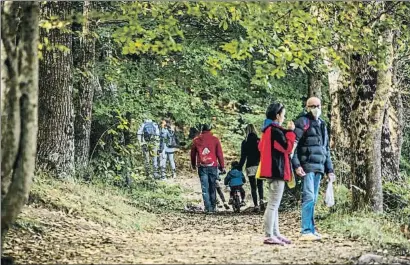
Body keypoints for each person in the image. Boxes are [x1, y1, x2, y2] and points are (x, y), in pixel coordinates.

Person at [292, 97, 336, 241]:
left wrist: (330, 170)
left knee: (314, 198)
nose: (316, 108)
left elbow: (326, 149)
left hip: (319, 167)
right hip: (307, 166)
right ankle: (305, 230)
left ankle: (311, 229)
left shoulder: (322, 124)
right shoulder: (302, 122)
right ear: (307, 107)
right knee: (309, 197)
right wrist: (297, 165)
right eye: (312, 106)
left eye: (318, 105)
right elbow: (293, 147)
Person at [259, 102, 296, 245]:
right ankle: (269, 234)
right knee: (273, 205)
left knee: (275, 204)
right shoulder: (274, 130)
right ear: (277, 115)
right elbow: (287, 147)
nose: (284, 117)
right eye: (283, 115)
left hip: (272, 170)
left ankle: (275, 233)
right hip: (276, 170)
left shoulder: (268, 129)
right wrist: (291, 132)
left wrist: (286, 131)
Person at [190, 124, 225, 213]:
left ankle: (208, 207)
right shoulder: (215, 140)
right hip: (213, 166)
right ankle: (213, 207)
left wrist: (193, 164)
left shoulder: (196, 140)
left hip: (202, 166)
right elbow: (219, 154)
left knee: (205, 188)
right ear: (210, 130)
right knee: (212, 187)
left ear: (202, 129)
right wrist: (222, 166)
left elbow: (193, 154)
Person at [239, 124, 264, 211]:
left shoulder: (245, 142)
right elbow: (263, 154)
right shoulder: (259, 141)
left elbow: (243, 157)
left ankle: (256, 205)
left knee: (253, 186)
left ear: (246, 131)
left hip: (250, 166)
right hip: (259, 165)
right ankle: (261, 200)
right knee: (260, 184)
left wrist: (239, 167)